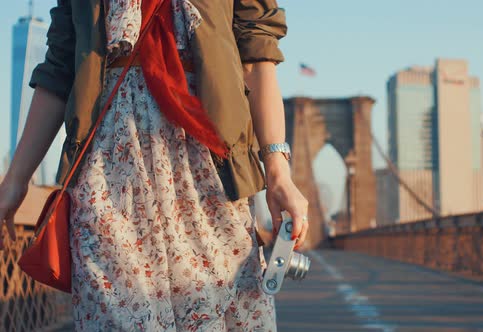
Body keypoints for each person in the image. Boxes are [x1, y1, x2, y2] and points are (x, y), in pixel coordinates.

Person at [0, 0, 309, 330]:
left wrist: (278, 172)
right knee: (115, 317)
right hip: (109, 167)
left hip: (207, 169)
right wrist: (16, 178)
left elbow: (257, 55)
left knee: (212, 311)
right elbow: (61, 65)